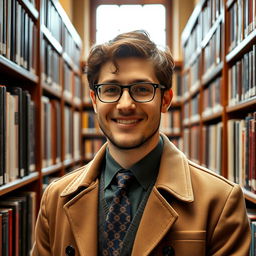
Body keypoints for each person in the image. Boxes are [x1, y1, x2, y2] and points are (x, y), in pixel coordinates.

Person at [32, 30, 251, 256]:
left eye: (142, 89)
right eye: (111, 90)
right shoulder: (55, 199)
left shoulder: (220, 200)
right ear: (94, 101)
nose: (125, 104)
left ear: (165, 100)